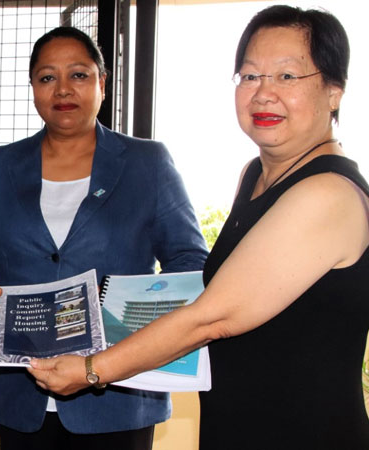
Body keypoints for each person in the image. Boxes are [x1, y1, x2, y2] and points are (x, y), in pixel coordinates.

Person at [28, 5, 369, 449]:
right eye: (250, 76)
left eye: (287, 76)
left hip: (306, 430)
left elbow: (213, 317)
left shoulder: (327, 193)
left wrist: (93, 369)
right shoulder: (256, 175)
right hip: (241, 422)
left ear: (334, 91)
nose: (264, 94)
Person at [0, 27, 208, 450]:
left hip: (119, 393)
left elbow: (190, 261)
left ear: (103, 83)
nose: (63, 89)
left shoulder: (148, 163)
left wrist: (140, 315)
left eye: (79, 75)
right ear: (33, 88)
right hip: (21, 395)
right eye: (47, 77)